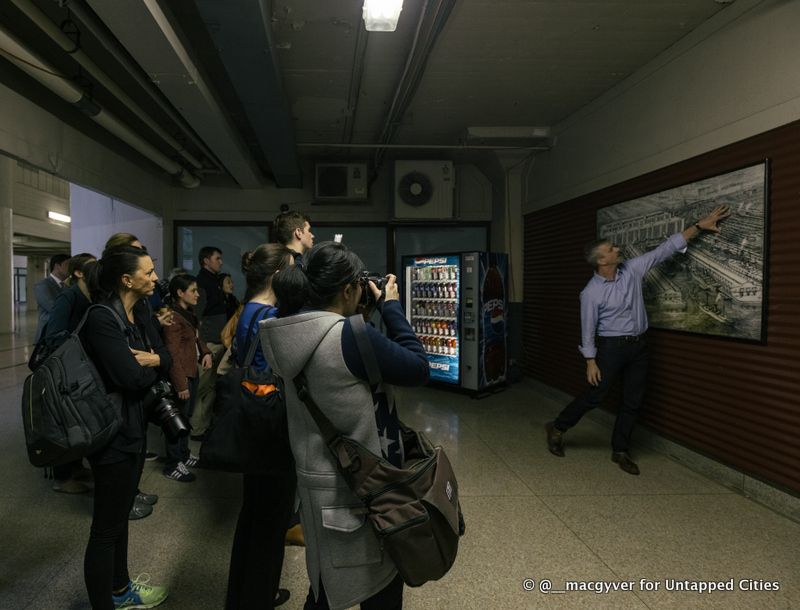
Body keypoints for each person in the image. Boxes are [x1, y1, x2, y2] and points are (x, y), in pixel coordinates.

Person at [259, 241, 429, 610]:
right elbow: (418, 367)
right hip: (366, 488)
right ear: (348, 289)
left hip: (317, 483)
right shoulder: (350, 336)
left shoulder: (286, 332)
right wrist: (393, 307)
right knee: (381, 586)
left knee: (324, 589)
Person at [546, 206, 731, 475]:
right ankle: (558, 427)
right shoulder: (591, 293)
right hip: (611, 348)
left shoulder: (632, 269)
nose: (617, 249)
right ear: (602, 261)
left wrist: (699, 227)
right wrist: (590, 361)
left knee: (633, 400)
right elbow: (587, 329)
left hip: (639, 346)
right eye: (611, 249)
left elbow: (664, 250)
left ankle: (620, 450)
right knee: (596, 396)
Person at [80, 246, 171, 609]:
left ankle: (120, 590)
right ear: (126, 279)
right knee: (105, 530)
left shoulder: (138, 313)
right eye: (147, 273)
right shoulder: (102, 318)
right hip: (111, 435)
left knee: (119, 521)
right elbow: (131, 376)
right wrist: (153, 363)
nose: (154, 277)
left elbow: (162, 357)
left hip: (131, 430)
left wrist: (155, 359)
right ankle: (107, 601)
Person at [224, 243, 295, 610]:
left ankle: (241, 595)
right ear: (279, 275)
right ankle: (258, 597)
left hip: (251, 425)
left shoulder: (248, 309)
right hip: (271, 426)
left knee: (252, 515)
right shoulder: (272, 316)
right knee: (271, 521)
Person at [45, 253, 97, 494]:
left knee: (78, 419)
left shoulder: (90, 296)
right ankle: (63, 478)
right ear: (78, 273)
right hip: (66, 369)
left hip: (81, 368)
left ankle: (75, 467)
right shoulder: (69, 296)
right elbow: (53, 334)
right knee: (65, 421)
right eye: (92, 266)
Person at [161, 274, 212, 483]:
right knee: (177, 422)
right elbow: (172, 354)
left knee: (186, 418)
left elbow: (196, 338)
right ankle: (173, 464)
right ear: (180, 293)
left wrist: (206, 351)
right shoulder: (173, 318)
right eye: (193, 290)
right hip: (182, 376)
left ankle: (183, 455)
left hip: (192, 372)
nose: (197, 294)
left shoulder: (188, 314)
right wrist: (180, 383)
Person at [192, 246, 227, 440]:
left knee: (211, 388)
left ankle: (202, 427)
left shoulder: (214, 281)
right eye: (217, 258)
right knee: (202, 388)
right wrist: (202, 347)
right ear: (206, 261)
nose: (220, 262)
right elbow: (198, 317)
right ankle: (195, 428)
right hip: (208, 344)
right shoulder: (202, 283)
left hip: (217, 342)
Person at [34, 253, 70, 342]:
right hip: (47, 334)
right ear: (57, 266)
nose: (70, 268)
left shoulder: (67, 286)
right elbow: (54, 308)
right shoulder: (42, 285)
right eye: (67, 265)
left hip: (62, 334)